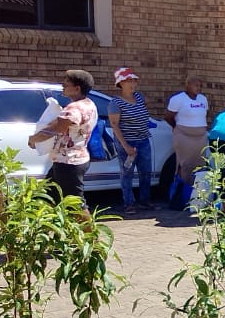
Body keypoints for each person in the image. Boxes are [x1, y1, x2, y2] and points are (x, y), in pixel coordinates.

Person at [27, 69, 97, 202]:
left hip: (68, 162)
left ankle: (85, 218)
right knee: (47, 197)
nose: (62, 86)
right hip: (71, 159)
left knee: (76, 204)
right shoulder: (89, 104)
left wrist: (34, 139)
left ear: (77, 88)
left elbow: (56, 128)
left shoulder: (75, 108)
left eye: (66, 84)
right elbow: (60, 123)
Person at [108, 67, 153, 214]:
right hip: (127, 142)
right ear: (121, 83)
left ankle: (145, 201)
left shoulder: (139, 97)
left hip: (143, 140)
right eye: (129, 81)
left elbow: (146, 105)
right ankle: (129, 203)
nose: (133, 84)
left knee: (145, 172)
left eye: (134, 81)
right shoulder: (115, 103)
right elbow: (114, 125)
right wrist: (125, 145)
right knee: (127, 173)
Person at [166, 76, 210, 185]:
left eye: (200, 86)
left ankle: (196, 189)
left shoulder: (203, 99)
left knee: (200, 163)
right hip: (184, 136)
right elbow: (169, 117)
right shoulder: (178, 99)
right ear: (187, 85)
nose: (199, 88)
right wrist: (177, 127)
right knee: (185, 164)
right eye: (196, 85)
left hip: (200, 138)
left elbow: (204, 114)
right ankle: (182, 188)